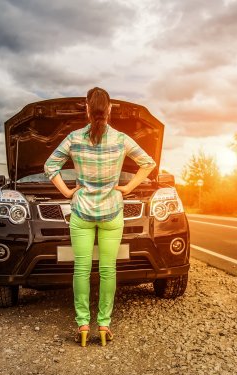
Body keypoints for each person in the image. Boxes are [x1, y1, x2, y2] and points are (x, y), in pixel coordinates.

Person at [44, 87, 156, 347]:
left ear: (86, 108)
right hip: (111, 213)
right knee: (108, 270)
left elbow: (50, 166)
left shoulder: (74, 138)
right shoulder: (120, 139)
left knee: (81, 270)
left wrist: (68, 191)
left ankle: (83, 324)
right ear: (109, 110)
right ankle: (104, 325)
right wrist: (128, 188)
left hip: (81, 212)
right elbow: (148, 163)